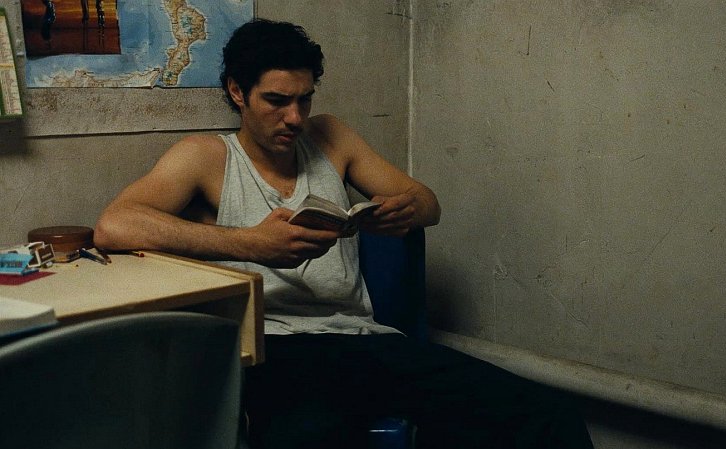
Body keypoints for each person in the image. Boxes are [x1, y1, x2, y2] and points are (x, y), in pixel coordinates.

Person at [94, 19, 594, 449]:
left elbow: (428, 204)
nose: (295, 118)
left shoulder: (331, 136)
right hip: (275, 350)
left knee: (546, 414)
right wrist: (251, 243)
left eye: (305, 100)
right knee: (309, 434)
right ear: (237, 92)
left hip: (362, 340)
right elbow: (115, 225)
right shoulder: (207, 156)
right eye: (277, 101)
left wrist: (402, 211)